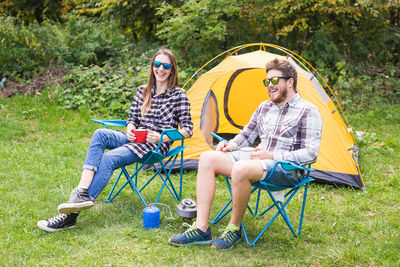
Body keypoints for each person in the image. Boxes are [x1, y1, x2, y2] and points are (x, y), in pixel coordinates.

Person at [169, 58, 323, 249]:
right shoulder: (264, 107)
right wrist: (230, 146)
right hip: (259, 163)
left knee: (241, 168)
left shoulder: (309, 111)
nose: (270, 86)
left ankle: (234, 229)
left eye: (274, 81)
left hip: (287, 169)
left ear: (290, 81)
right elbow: (246, 136)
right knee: (207, 158)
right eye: (267, 82)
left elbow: (311, 153)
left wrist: (273, 156)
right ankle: (201, 229)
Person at [37, 47, 193, 232]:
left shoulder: (178, 95)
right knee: (99, 133)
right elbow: (132, 119)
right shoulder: (142, 91)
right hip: (135, 140)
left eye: (166, 65)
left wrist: (162, 137)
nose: (161, 69)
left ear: (172, 69)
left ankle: (69, 216)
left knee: (109, 158)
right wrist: (130, 129)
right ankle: (81, 192)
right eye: (157, 64)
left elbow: (187, 130)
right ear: (152, 66)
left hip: (154, 146)